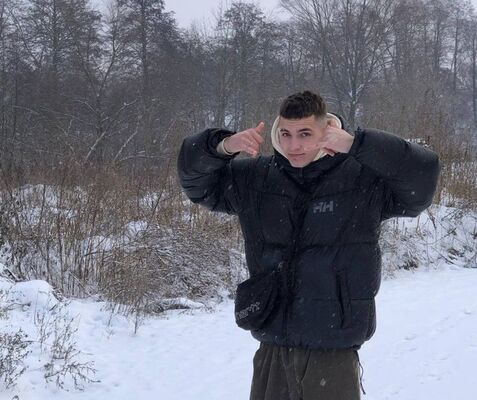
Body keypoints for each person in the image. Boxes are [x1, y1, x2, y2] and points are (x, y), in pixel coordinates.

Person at [177, 90, 440, 400]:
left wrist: (357, 145)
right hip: (273, 346)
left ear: (327, 130)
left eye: (305, 133)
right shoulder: (256, 178)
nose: (294, 145)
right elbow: (197, 186)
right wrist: (222, 147)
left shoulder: (362, 179)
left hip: (333, 351)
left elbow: (422, 177)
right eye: (285, 134)